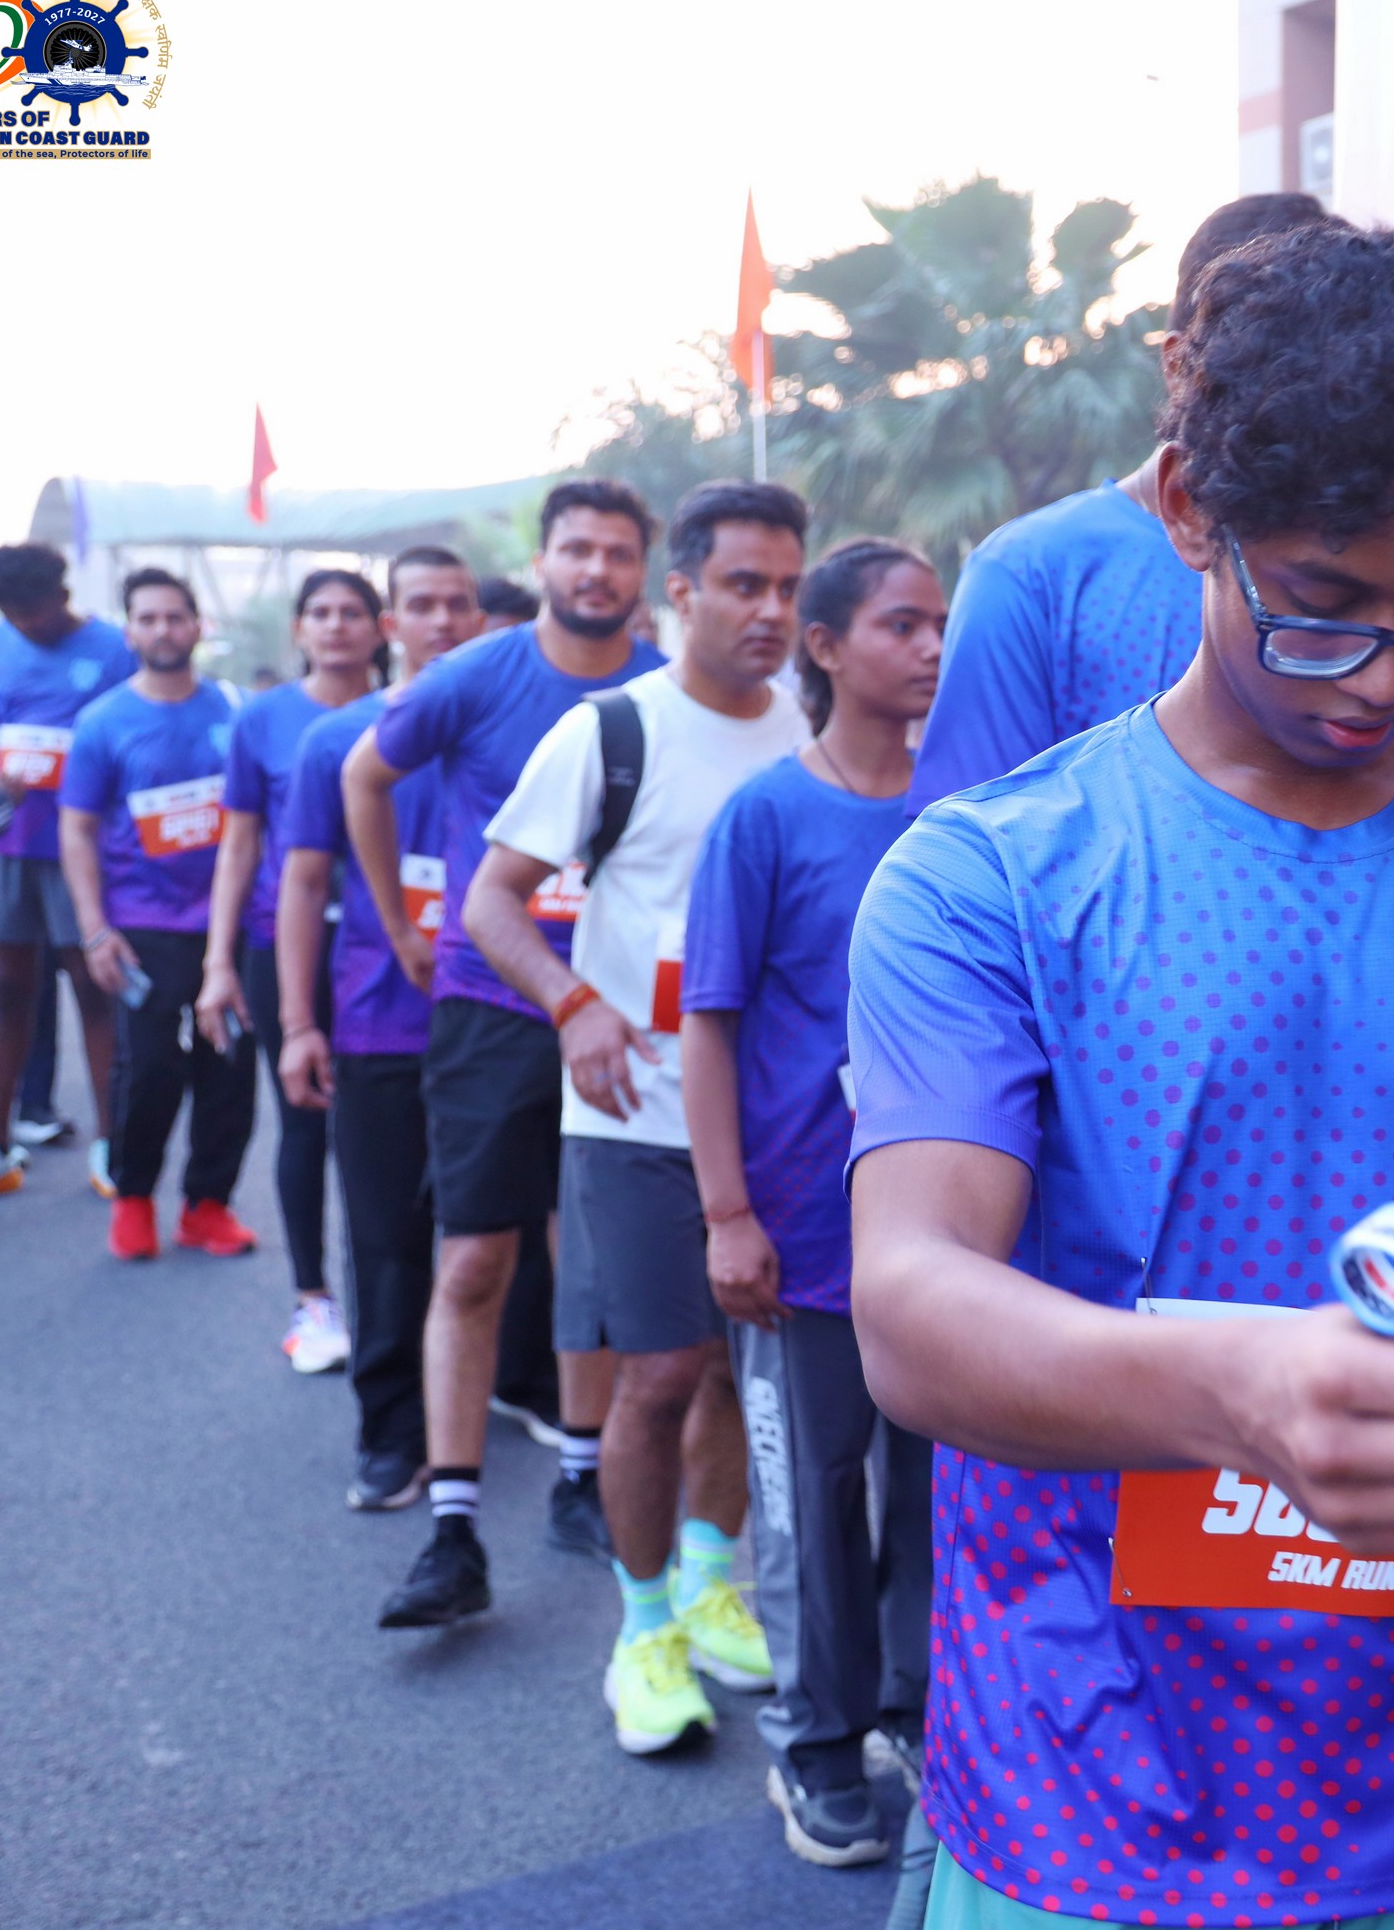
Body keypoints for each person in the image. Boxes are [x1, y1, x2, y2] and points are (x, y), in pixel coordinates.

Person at [848, 221, 1394, 1929]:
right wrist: (1239, 1394)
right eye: (1321, 607)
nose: (1381, 677)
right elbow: (913, 1305)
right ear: (1187, 511)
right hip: (1080, 1777)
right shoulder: (993, 877)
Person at [468, 480, 808, 1751]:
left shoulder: (809, 727)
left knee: (736, 1363)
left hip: (774, 1119)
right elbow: (492, 901)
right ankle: (643, 1628)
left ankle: (714, 1584)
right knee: (659, 1371)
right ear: (683, 592)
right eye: (743, 584)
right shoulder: (610, 730)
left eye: (788, 587)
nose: (769, 609)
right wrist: (575, 1006)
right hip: (631, 1114)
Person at [348, 481, 663, 1626]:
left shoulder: (663, 687)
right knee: (475, 1258)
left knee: (592, 1257)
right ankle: (452, 1529)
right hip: (492, 1002)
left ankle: (582, 1478)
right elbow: (364, 775)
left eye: (617, 552)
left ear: (642, 571)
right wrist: (399, 922)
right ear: (543, 561)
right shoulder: (476, 674)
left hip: (623, 1010)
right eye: (577, 548)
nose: (596, 569)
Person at [683, 538, 944, 1862]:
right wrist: (729, 1213)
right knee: (811, 1506)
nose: (933, 646)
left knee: (936, 1501)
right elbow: (710, 1022)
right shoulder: (766, 817)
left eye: (941, 622)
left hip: (946, 1245)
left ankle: (915, 1711)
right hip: (803, 1239)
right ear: (827, 648)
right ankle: (817, 1742)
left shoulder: (968, 810)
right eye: (903, 623)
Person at [904, 190, 1337, 808]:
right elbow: (970, 841)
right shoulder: (1029, 572)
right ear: (1181, 367)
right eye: (1275, 365)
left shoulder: (1379, 571)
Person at [279, 549, 484, 1511]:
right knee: (387, 1241)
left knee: (500, 1235)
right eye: (421, 605)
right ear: (391, 624)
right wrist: (297, 1024)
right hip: (377, 1028)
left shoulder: (521, 729)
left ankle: (517, 1399)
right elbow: (303, 885)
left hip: (500, 1026)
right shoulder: (335, 743)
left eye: (458, 604)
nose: (441, 620)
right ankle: (393, 1436)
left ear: (479, 618)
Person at [200, 569, 388, 1373]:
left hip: (388, 945)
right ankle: (314, 1300)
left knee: (390, 1127)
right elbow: (239, 843)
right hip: (286, 942)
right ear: (300, 630)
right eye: (321, 612)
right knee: (305, 1119)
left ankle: (395, 1303)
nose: (337, 625)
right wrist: (218, 962)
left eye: (352, 612)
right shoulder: (264, 720)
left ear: (379, 628)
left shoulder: (410, 711)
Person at [59, 568, 261, 1262]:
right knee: (147, 1069)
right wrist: (94, 928)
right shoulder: (102, 721)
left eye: (175, 617)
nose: (163, 630)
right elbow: (77, 828)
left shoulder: (236, 710)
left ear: (198, 626)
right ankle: (134, 1198)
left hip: (233, 923)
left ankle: (208, 1206)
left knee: (230, 1066)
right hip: (141, 927)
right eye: (148, 619)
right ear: (129, 632)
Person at [0, 544, 134, 1200]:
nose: (26, 623)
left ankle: (113, 1143)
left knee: (94, 991)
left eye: (34, 610)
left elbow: (130, 740)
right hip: (10, 844)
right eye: (13, 613)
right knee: (7, 990)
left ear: (62, 595)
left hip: (83, 848)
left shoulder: (114, 648)